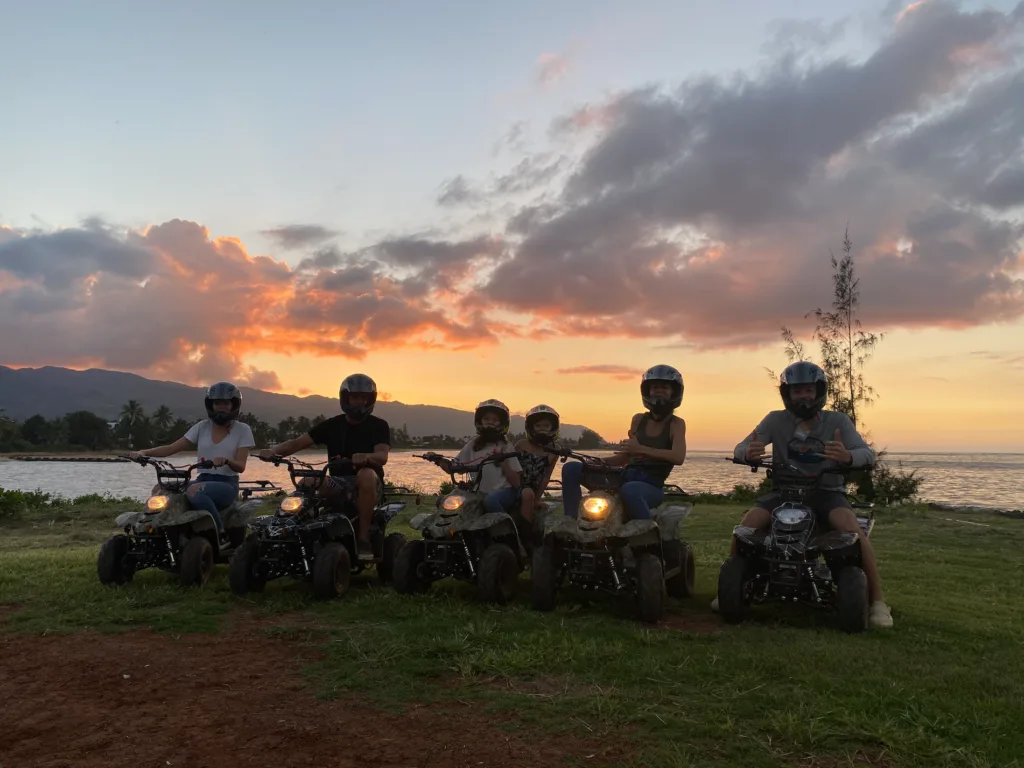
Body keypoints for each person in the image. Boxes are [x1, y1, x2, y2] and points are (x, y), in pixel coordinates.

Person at [711, 360, 893, 629]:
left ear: (819, 391)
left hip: (827, 492)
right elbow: (743, 444)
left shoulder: (838, 420)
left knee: (851, 528)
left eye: (808, 390)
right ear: (788, 394)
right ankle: (729, 589)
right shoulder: (775, 419)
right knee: (747, 525)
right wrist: (747, 452)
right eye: (797, 391)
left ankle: (877, 601)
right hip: (783, 492)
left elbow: (867, 454)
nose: (804, 396)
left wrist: (847, 456)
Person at [258, 373, 390, 562]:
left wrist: (366, 457)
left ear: (370, 400)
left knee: (366, 473)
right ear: (346, 398)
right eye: (355, 397)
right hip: (338, 481)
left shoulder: (379, 426)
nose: (359, 402)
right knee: (308, 480)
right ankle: (295, 534)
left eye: (363, 398)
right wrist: (273, 451)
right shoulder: (333, 425)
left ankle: (363, 539)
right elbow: (297, 443)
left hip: (370, 483)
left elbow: (382, 456)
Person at [129, 382, 254, 546]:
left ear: (234, 405)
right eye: (217, 403)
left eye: (226, 403)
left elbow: (241, 466)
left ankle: (221, 533)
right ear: (211, 405)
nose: (221, 407)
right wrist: (143, 453)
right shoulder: (202, 427)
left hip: (227, 484)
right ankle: (161, 534)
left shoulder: (243, 429)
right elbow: (172, 448)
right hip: (202, 479)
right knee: (163, 489)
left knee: (194, 491)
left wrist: (227, 461)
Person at [560, 365, 687, 521]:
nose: (659, 391)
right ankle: (570, 522)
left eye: (665, 387)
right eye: (654, 387)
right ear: (647, 391)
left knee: (630, 490)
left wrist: (641, 449)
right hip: (625, 476)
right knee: (572, 468)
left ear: (674, 392)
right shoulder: (638, 419)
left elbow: (678, 457)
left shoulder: (676, 424)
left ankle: (648, 534)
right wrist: (595, 462)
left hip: (650, 486)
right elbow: (624, 457)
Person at [436, 400, 531, 520]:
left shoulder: (506, 446)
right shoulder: (472, 445)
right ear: (479, 421)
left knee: (490, 501)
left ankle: (505, 528)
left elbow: (516, 480)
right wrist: (438, 460)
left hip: (505, 491)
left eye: (495, 420)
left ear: (502, 424)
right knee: (445, 500)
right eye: (486, 419)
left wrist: (504, 463)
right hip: (479, 491)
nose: (490, 422)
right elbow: (454, 468)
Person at [513, 404, 562, 520]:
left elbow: (546, 477)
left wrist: (537, 499)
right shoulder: (521, 445)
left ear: (553, 427)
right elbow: (512, 468)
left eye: (546, 426)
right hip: (515, 485)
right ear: (531, 427)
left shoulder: (555, 449)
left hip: (534, 489)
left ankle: (529, 530)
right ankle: (525, 529)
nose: (542, 429)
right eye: (538, 426)